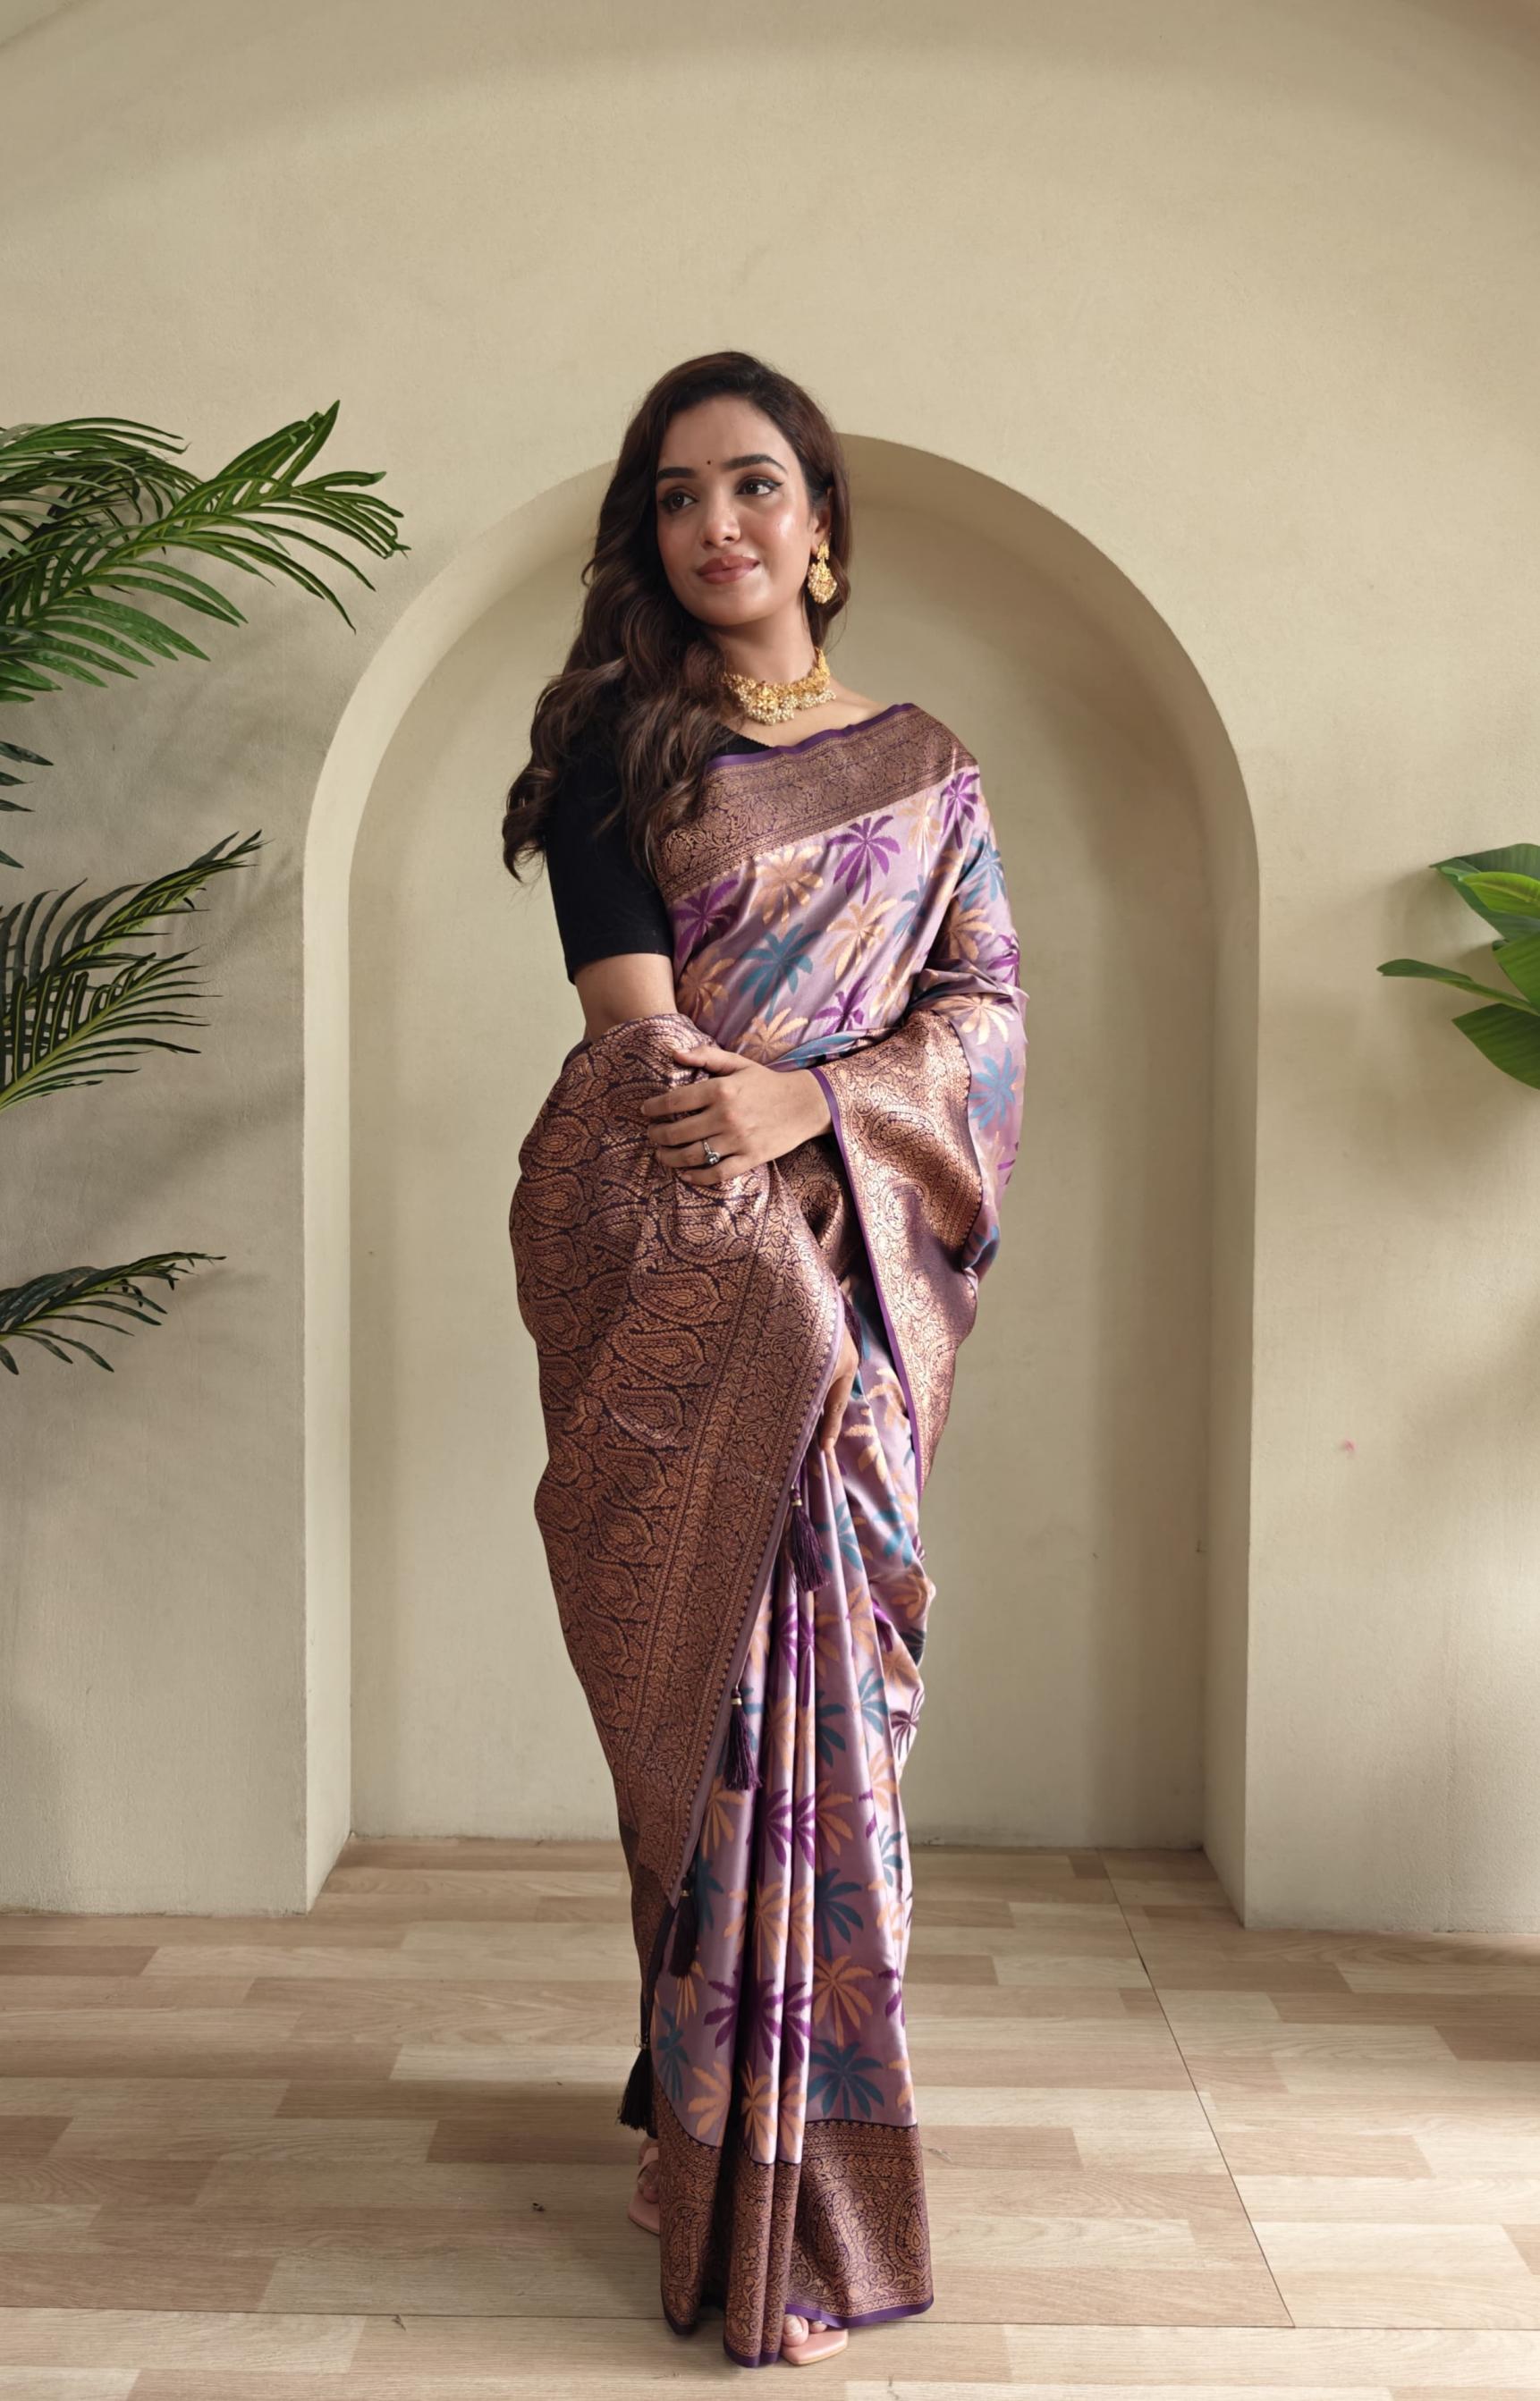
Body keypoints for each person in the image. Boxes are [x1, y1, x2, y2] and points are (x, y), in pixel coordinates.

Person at [502, 351, 1028, 2371]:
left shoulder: (930, 769)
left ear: (818, 522)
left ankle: (795, 2162)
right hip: (701, 1274)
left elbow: (986, 1016)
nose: (713, 523)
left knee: (841, 1735)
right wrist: (753, 1199)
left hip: (856, 1276)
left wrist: (821, 1101)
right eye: (674, 495)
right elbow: (636, 1040)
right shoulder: (616, 755)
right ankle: (717, 2140)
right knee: (716, 1731)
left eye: (750, 485)